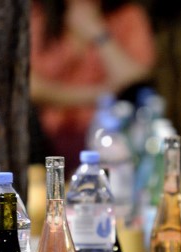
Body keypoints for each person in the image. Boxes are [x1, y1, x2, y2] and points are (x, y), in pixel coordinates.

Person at [30, 0, 156, 175]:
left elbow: (135, 79)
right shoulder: (40, 15)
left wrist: (99, 34)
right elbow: (30, 85)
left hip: (115, 145)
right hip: (49, 144)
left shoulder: (127, 15)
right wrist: (100, 94)